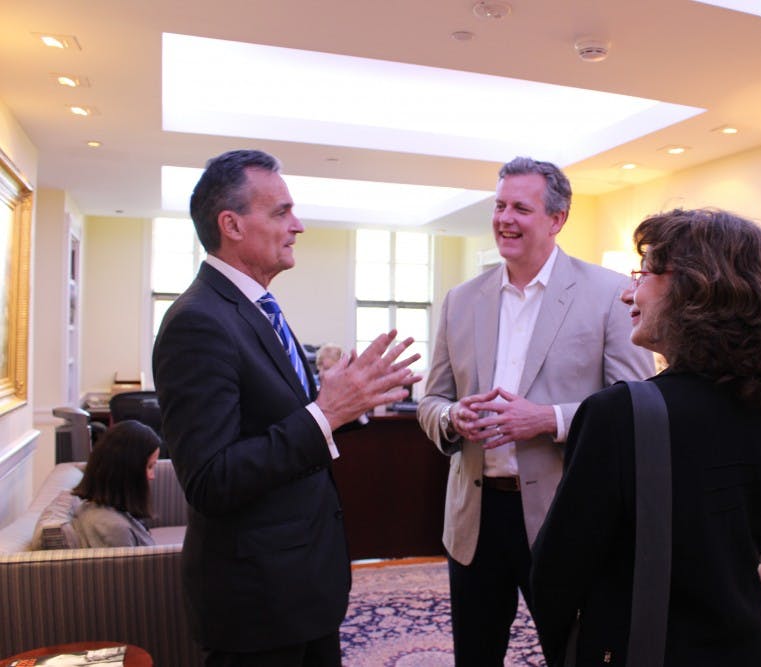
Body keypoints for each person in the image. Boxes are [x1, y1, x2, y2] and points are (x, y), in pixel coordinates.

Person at [153, 149, 420, 667]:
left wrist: (338, 401)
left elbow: (282, 421)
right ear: (230, 224)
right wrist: (325, 413)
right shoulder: (199, 321)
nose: (297, 226)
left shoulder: (257, 307)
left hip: (300, 586)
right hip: (257, 602)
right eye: (280, 212)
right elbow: (211, 479)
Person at [530, 207, 761, 666]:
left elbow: (555, 576)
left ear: (693, 288)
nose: (627, 294)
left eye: (642, 275)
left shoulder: (617, 414)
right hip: (742, 647)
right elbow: (748, 540)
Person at [417, 156, 654, 665]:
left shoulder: (611, 293)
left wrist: (548, 420)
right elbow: (431, 400)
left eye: (520, 208)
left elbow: (637, 405)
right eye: (499, 206)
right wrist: (451, 419)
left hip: (566, 514)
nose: (504, 219)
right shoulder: (461, 300)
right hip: (474, 519)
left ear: (556, 219)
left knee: (572, 655)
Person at [71, 419, 160, 548]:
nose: (152, 476)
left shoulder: (101, 510)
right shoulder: (114, 530)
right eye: (150, 467)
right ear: (128, 470)